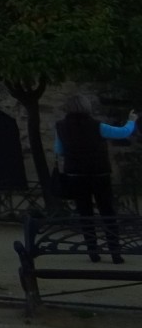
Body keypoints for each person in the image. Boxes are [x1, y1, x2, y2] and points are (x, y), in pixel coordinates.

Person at [54, 96, 137, 263]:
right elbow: (122, 133)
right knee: (107, 213)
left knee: (85, 214)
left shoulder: (61, 126)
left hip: (75, 175)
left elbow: (58, 149)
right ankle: (115, 252)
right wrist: (131, 121)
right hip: (99, 174)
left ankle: (93, 251)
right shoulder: (97, 126)